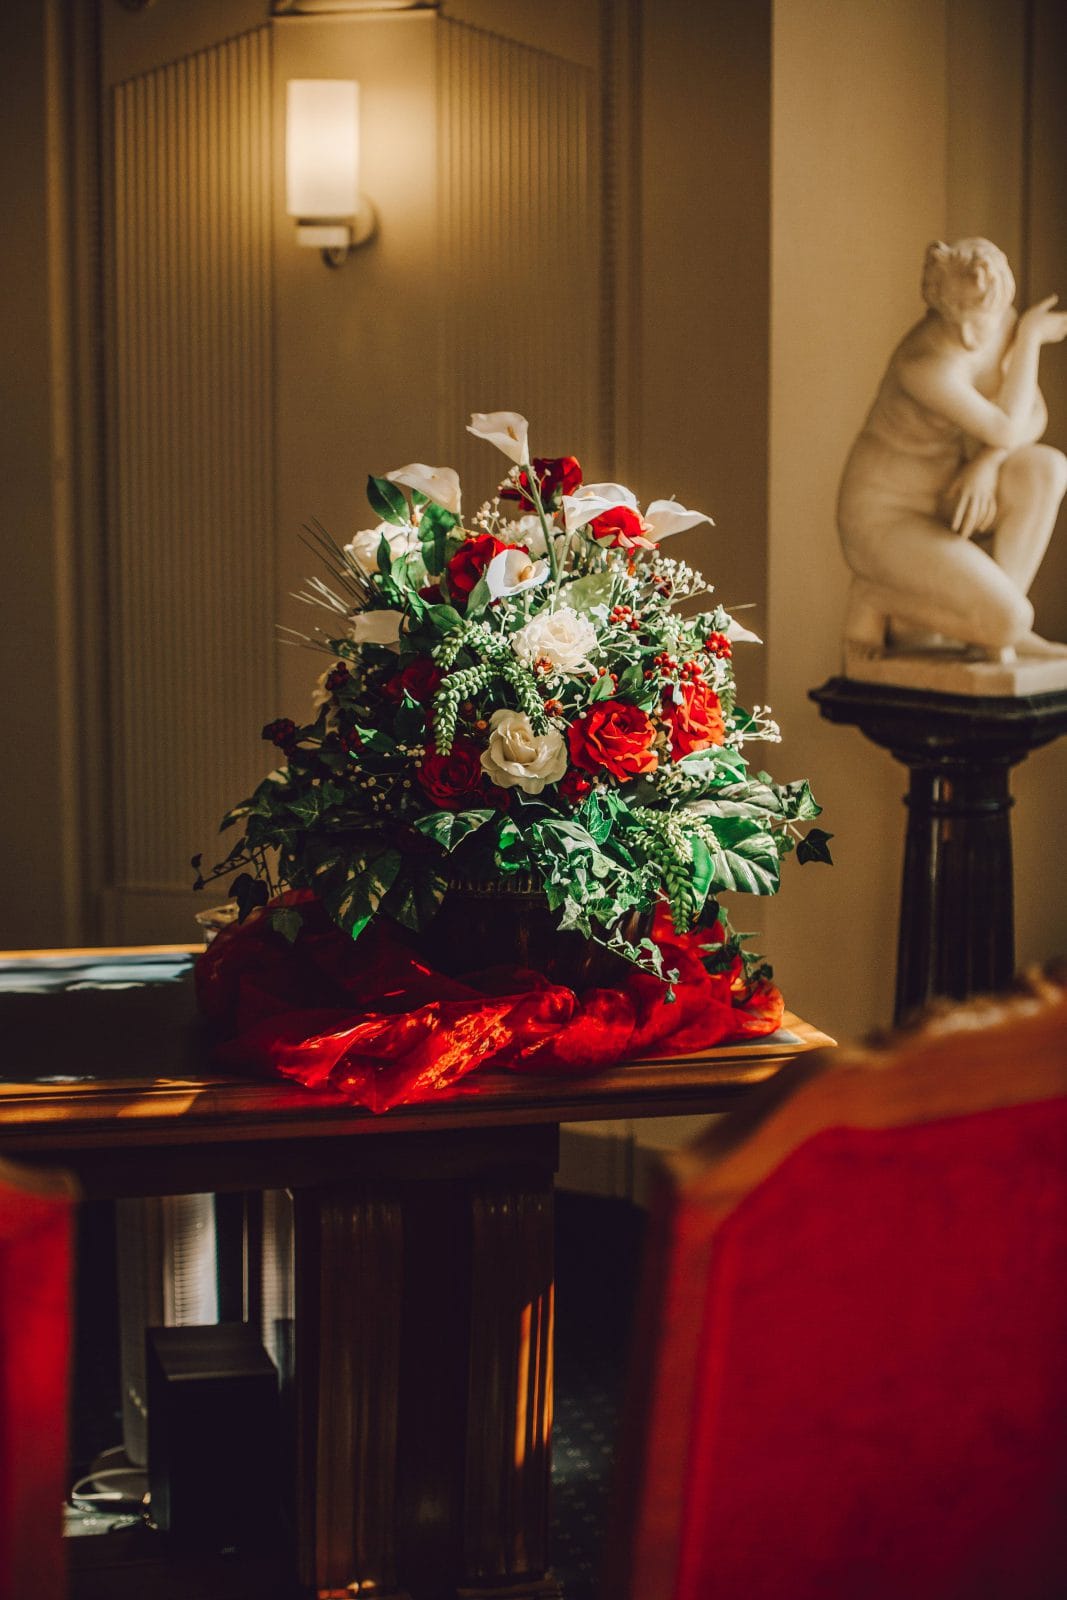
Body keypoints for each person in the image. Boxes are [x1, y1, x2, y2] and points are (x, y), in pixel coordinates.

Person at [838, 237, 1067, 661]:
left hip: (949, 496)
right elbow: (1006, 426)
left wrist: (986, 461)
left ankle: (997, 627)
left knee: (1047, 468)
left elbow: (1033, 416)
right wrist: (1032, 338)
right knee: (1011, 618)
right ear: (951, 314)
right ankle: (878, 595)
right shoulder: (927, 366)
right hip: (884, 519)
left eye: (997, 317)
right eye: (978, 322)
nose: (989, 332)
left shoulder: (995, 318)